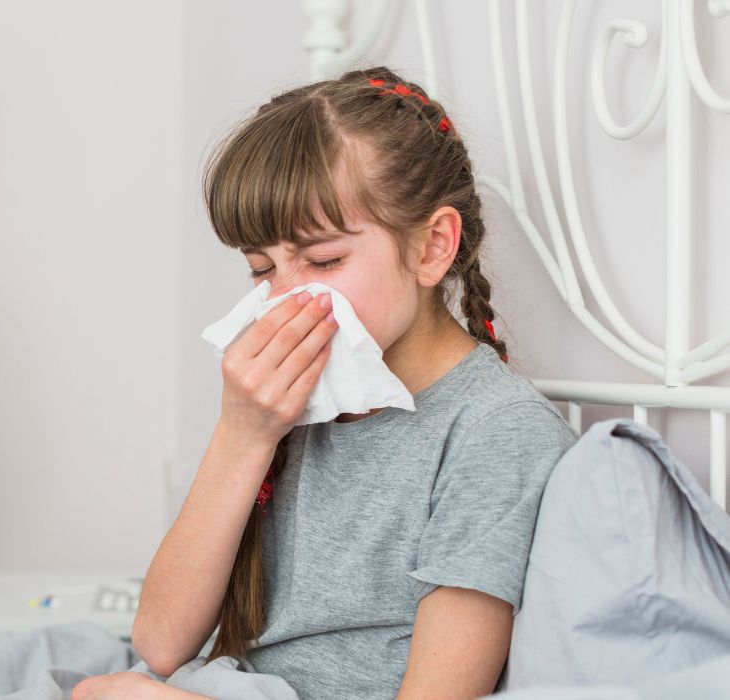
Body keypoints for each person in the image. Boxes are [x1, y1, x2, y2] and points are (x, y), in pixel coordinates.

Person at [75, 67, 577, 699]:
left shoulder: (495, 432)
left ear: (431, 247)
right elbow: (161, 643)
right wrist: (243, 434)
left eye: (323, 261)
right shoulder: (298, 404)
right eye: (262, 269)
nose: (285, 297)